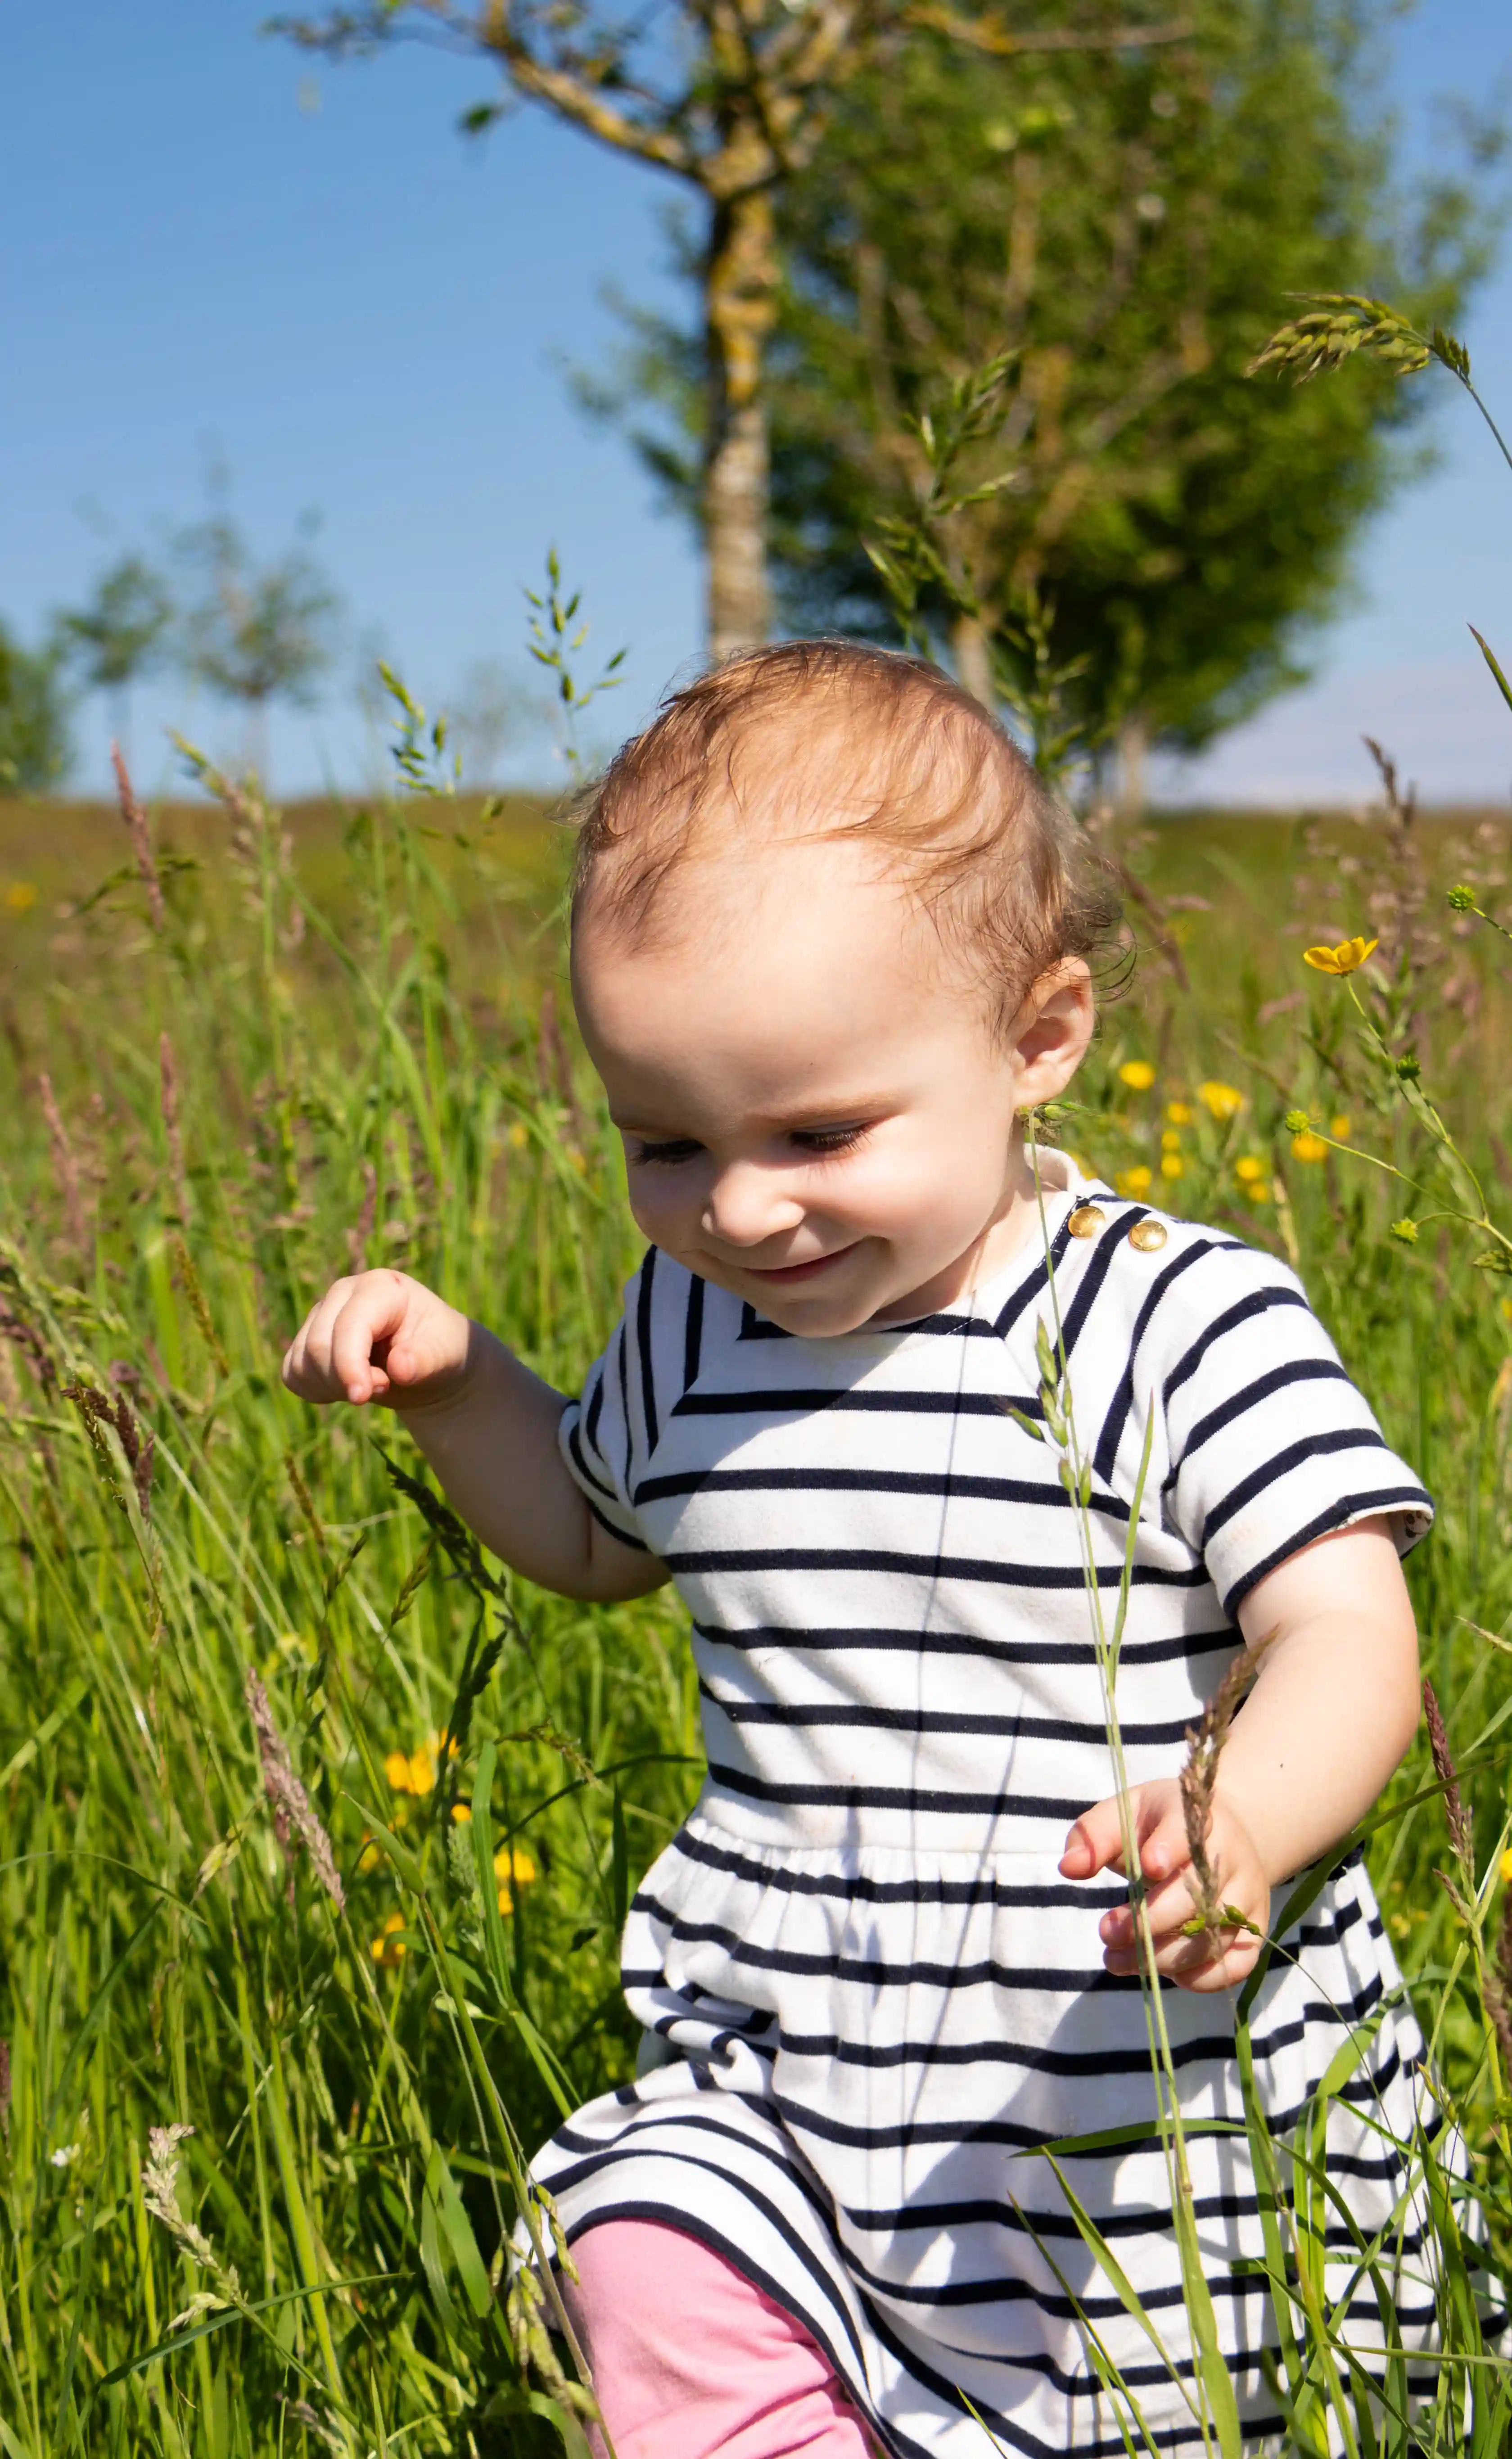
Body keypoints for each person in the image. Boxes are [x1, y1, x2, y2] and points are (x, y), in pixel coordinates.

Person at [284, 642, 1438, 2459]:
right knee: (646, 2250)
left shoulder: (1175, 1321)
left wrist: (1241, 1821)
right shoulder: (693, 1326)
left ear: (1035, 1037)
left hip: (1121, 2075)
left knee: (1165, 2394)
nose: (740, 1209)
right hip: (803, 2058)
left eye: (818, 1132)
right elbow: (597, 1541)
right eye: (664, 1142)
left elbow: (1346, 1632)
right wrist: (457, 1384)